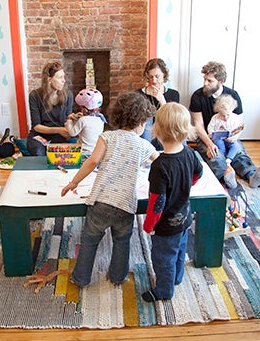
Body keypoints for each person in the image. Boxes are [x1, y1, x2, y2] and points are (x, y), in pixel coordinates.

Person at [61, 91, 159, 287]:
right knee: (122, 242)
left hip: (101, 201)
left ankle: (81, 278)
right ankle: (118, 276)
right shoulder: (144, 145)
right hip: (125, 204)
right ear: (141, 122)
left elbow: (92, 162)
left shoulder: (107, 137)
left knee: (89, 240)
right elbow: (161, 163)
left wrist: (74, 182)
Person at [141, 102, 203, 302]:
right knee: (179, 250)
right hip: (184, 217)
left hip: (165, 226)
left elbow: (157, 202)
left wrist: (149, 225)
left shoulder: (160, 166)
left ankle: (164, 291)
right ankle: (176, 278)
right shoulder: (190, 153)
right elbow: (198, 172)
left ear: (157, 130)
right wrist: (184, 186)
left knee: (163, 258)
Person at [188, 61, 260, 189]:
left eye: (209, 81)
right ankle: (225, 178)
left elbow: (240, 124)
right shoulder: (197, 96)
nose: (205, 83)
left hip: (229, 137)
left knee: (238, 151)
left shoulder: (233, 95)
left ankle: (251, 175)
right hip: (207, 137)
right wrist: (210, 143)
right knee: (215, 155)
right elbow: (198, 125)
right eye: (204, 79)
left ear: (221, 82)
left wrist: (235, 137)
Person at [26, 61, 74, 156]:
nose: (64, 81)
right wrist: (58, 130)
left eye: (64, 77)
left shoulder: (68, 95)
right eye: (60, 77)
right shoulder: (34, 95)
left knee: (58, 154)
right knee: (38, 151)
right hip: (40, 134)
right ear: (49, 79)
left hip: (59, 135)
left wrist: (75, 119)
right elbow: (36, 126)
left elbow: (68, 119)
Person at [137, 58, 180, 150]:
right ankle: (147, 152)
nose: (154, 80)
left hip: (165, 130)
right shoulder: (138, 94)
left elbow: (173, 120)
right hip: (145, 133)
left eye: (157, 76)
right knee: (147, 117)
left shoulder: (173, 94)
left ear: (164, 75)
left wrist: (162, 101)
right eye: (151, 77)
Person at [65, 87, 106, 161]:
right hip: (96, 152)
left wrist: (69, 120)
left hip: (84, 153)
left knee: (67, 148)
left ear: (84, 109)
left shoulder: (83, 120)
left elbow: (72, 133)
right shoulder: (101, 118)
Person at [206, 95, 244, 167]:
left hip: (230, 139)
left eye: (228, 115)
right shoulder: (215, 118)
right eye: (222, 115)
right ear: (218, 111)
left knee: (236, 146)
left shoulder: (235, 118)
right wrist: (212, 133)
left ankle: (229, 159)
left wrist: (234, 137)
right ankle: (223, 155)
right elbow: (210, 127)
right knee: (219, 145)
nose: (225, 118)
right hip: (219, 138)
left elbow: (239, 129)